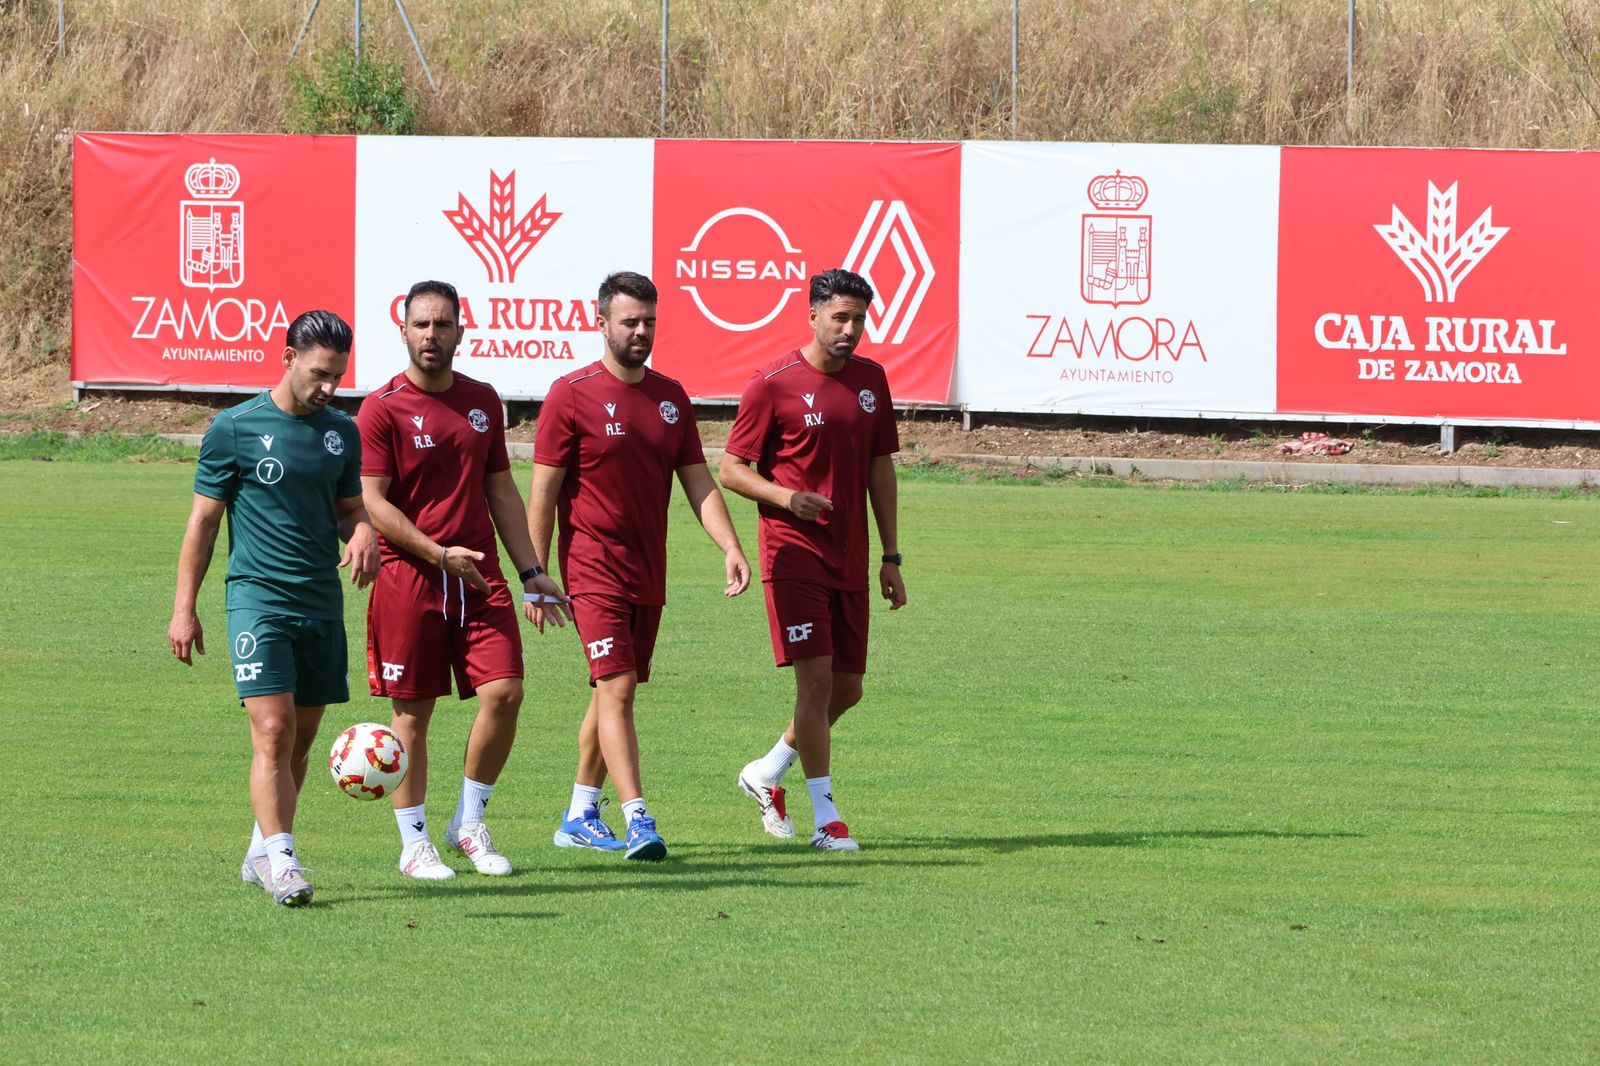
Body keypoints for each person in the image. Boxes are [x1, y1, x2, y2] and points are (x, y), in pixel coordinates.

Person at [528, 271, 751, 861]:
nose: (641, 332)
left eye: (650, 321)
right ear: (601, 322)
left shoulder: (670, 397)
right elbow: (542, 493)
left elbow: (698, 481)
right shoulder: (570, 394)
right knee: (618, 687)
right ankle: (638, 818)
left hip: (648, 572)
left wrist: (730, 546)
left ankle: (579, 814)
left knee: (611, 693)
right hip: (591, 568)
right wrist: (534, 573)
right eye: (630, 321)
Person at [358, 280, 569, 881]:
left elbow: (501, 491)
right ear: (403, 330)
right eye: (421, 324)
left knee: (505, 693)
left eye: (442, 324)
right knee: (412, 714)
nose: (432, 335)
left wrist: (532, 572)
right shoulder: (381, 408)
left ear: (460, 330)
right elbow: (374, 502)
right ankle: (414, 844)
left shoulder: (482, 400)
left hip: (479, 576)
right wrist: (435, 552)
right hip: (409, 577)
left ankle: (469, 823)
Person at [169, 310, 379, 907]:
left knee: (299, 743)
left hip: (320, 602)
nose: (329, 387)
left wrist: (362, 529)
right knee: (273, 729)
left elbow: (348, 509)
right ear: (288, 358)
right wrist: (184, 608)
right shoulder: (234, 428)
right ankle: (284, 862)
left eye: (338, 375)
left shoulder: (341, 432)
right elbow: (204, 522)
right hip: (257, 599)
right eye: (319, 373)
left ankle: (262, 847)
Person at [719, 268, 907, 852]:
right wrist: (786, 499)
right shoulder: (772, 383)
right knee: (817, 681)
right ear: (813, 315)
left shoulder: (871, 380)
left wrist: (891, 555)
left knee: (847, 689)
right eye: (839, 317)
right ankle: (828, 821)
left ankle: (766, 771)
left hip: (850, 555)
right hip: (792, 552)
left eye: (859, 319)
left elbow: (880, 469)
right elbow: (731, 469)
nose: (850, 329)